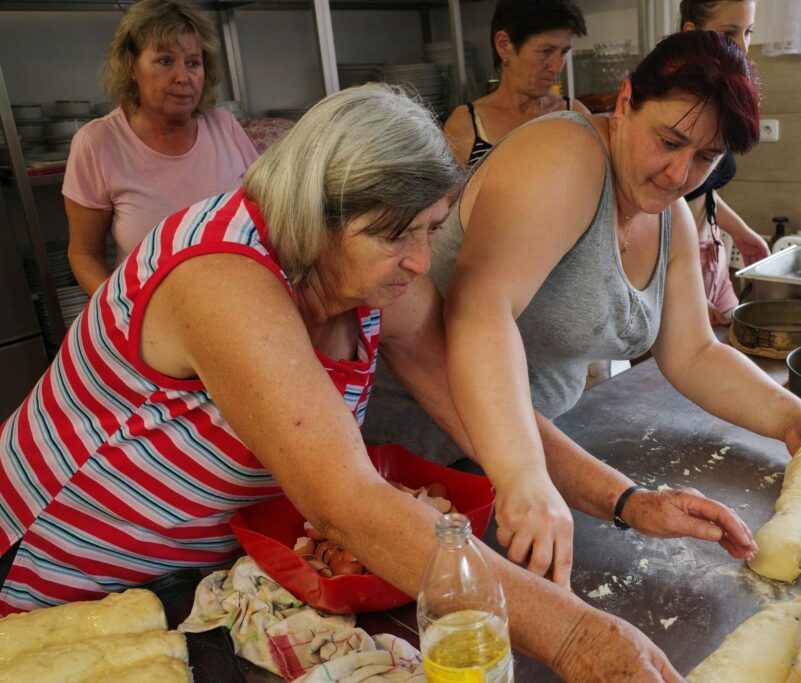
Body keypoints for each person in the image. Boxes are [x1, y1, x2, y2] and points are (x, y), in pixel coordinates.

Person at [1, 83, 728, 681]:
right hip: (54, 581)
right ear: (316, 218)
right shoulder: (219, 278)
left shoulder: (380, 275)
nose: (420, 262)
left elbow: (481, 405)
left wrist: (627, 501)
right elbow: (344, 500)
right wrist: (573, 637)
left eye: (431, 229)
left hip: (191, 588)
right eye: (395, 235)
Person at [364, 30, 801, 583]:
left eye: (706, 157)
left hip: (519, 452)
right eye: (668, 141)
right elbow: (480, 312)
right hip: (414, 454)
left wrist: (793, 417)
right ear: (624, 104)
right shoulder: (563, 157)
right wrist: (521, 474)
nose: (680, 174)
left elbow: (692, 352)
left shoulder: (670, 215)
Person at [63, 0, 258, 295]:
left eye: (193, 63)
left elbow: (268, 212)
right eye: (165, 61)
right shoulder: (98, 142)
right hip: (156, 317)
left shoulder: (224, 126)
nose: (183, 77)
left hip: (242, 295)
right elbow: (84, 253)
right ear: (131, 66)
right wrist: (123, 312)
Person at [679, 0, 769, 325]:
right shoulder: (678, 104)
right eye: (729, 33)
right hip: (673, 266)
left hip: (712, 256)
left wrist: (740, 232)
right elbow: (656, 205)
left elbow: (699, 188)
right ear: (692, 33)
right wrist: (680, 286)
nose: (743, 47)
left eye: (748, 32)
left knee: (740, 349)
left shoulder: (718, 98)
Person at [443, 0, 590, 166]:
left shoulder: (577, 116)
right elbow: (450, 192)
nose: (556, 68)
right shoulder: (466, 125)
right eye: (546, 51)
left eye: (563, 52)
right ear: (504, 45)